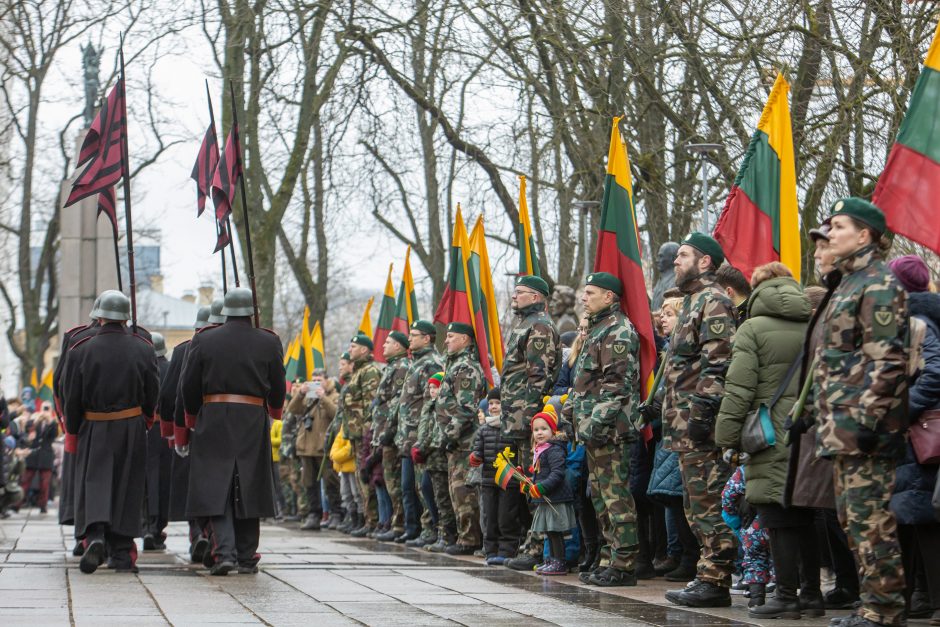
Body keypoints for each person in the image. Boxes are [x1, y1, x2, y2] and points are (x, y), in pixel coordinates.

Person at [814, 198, 908, 627]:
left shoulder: (878, 284)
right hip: (842, 427)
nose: (830, 234)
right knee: (854, 520)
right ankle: (873, 603)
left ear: (864, 235)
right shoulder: (848, 283)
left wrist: (867, 421)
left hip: (864, 428)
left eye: (838, 227)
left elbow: (886, 361)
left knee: (871, 522)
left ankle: (884, 610)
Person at [714, 262, 815, 617]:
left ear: (756, 289)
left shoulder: (752, 328)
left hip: (768, 431)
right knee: (805, 512)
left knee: (774, 513)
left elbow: (739, 388)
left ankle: (786, 595)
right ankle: (812, 594)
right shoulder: (814, 322)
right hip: (808, 429)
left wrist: (726, 438)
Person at [177, 287, 286, 576]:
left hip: (213, 417)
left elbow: (188, 384)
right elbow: (278, 384)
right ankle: (247, 556)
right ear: (251, 310)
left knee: (217, 488)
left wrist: (191, 418)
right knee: (249, 485)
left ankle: (224, 553)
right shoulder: (269, 341)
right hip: (252, 418)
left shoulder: (204, 339)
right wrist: (274, 411)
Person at [662, 233, 738, 608]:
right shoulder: (692, 301)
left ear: (705, 262)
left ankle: (716, 578)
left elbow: (718, 361)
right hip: (682, 422)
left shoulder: (714, 301)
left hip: (699, 423)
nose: (676, 261)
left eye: (683, 255)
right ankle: (708, 574)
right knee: (695, 504)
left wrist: (703, 412)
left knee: (708, 502)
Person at [62, 290, 160, 574]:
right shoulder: (144, 347)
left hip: (93, 424)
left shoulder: (80, 349)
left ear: (100, 316)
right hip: (130, 423)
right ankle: (122, 554)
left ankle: (94, 537)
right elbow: (152, 390)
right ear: (125, 316)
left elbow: (72, 396)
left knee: (94, 482)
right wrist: (146, 417)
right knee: (127, 487)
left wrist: (73, 428)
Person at [563, 271, 641, 587]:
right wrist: (570, 415)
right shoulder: (597, 330)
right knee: (600, 500)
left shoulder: (617, 331)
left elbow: (617, 386)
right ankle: (608, 559)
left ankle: (624, 564)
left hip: (611, 429)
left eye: (591, 292)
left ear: (609, 296)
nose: (585, 297)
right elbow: (584, 383)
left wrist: (595, 423)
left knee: (616, 499)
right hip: (592, 429)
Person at [888, 254, 940, 624]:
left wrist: (904, 408)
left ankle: (926, 602)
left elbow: (935, 371)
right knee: (914, 516)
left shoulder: (918, 321)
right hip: (916, 432)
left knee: (920, 519)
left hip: (918, 432)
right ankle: (915, 599)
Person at [500, 275, 562, 571]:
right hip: (517, 418)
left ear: (537, 297)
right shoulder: (525, 324)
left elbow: (539, 377)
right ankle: (533, 542)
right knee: (527, 482)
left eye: (521, 292)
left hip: (528, 420)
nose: (515, 296)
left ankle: (537, 547)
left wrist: (530, 422)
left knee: (535, 483)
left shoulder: (538, 326)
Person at [159, 306, 211, 563]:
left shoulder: (182, 351)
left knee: (192, 485)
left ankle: (196, 532)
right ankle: (212, 534)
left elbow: (169, 395)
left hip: (190, 428)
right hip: (220, 427)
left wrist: (172, 432)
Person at [53, 297, 102, 556]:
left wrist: (67, 424)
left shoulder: (76, 339)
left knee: (83, 482)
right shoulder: (136, 340)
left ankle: (83, 536)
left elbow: (61, 386)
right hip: (122, 424)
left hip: (83, 422)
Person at [436, 322, 487, 555]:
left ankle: (470, 539)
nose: (446, 341)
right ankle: (464, 536)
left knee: (464, 491)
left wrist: (450, 434)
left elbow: (466, 408)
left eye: (450, 336)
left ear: (465, 339)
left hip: (466, 441)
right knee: (455, 491)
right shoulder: (454, 365)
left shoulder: (466, 368)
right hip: (456, 442)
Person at [395, 320, 444, 544]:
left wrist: (422, 438)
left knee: (422, 486)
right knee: (408, 487)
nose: (410, 338)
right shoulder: (416, 362)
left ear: (427, 338)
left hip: (420, 436)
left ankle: (430, 529)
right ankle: (414, 528)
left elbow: (430, 401)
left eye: (414, 335)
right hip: (407, 436)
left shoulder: (431, 364)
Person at [471, 386, 519, 564]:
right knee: (489, 516)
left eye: (498, 403)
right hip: (489, 481)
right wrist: (476, 457)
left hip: (508, 481)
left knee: (506, 516)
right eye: (491, 403)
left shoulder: (512, 426)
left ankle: (507, 551)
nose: (493, 406)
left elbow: (517, 450)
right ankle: (490, 551)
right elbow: (478, 450)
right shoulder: (483, 430)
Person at [287, 370, 339, 531]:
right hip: (307, 446)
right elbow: (292, 409)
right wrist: (301, 394)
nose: (316, 382)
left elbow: (336, 413)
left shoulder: (334, 395)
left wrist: (322, 397)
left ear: (326, 380)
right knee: (308, 483)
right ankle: (313, 515)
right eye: (314, 380)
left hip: (323, 447)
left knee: (331, 482)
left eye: (319, 380)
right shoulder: (308, 398)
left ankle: (336, 514)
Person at [372, 331, 412, 541]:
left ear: (398, 346)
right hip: (385, 433)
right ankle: (394, 523)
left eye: (388, 342)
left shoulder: (401, 367)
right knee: (388, 481)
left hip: (394, 434)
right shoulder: (392, 367)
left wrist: (388, 432)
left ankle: (399, 525)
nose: (384, 345)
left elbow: (397, 403)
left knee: (395, 483)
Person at [526, 410, 576, 576]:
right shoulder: (541, 450)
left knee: (555, 532)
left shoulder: (554, 449)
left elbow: (557, 474)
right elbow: (539, 474)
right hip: (547, 498)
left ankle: (559, 561)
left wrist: (542, 487)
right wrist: (529, 486)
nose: (539, 433)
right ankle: (551, 559)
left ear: (553, 431)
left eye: (544, 429)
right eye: (536, 430)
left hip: (556, 497)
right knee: (549, 531)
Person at [342, 333, 382, 537]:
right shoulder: (358, 372)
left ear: (365, 350)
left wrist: (368, 432)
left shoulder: (369, 372)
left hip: (364, 434)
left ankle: (372, 520)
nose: (350, 350)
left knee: (365, 478)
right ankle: (367, 519)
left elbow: (370, 404)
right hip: (355, 433)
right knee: (360, 479)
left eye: (354, 347)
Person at [416, 372, 455, 551]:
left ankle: (446, 535)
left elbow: (437, 433)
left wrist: (422, 448)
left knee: (443, 497)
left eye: (436, 387)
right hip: (429, 457)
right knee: (429, 491)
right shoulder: (429, 406)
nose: (432, 391)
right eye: (430, 387)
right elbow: (424, 430)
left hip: (438, 456)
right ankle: (440, 530)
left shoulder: (443, 406)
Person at [143, 333, 172, 550]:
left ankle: (145, 525)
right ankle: (157, 526)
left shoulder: (142, 366)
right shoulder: (170, 368)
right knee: (162, 480)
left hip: (145, 428)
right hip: (165, 430)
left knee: (145, 478)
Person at [652, 242, 680, 311]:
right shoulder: (661, 280)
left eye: (661, 256)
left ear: (673, 258)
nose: (657, 260)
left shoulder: (676, 281)